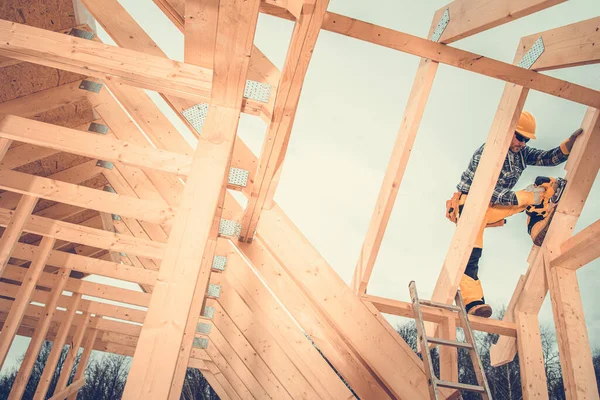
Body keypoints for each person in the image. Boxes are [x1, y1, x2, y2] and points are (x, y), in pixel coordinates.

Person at [445, 111, 583, 318]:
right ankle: (473, 303)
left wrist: (567, 147)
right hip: (470, 207)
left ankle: (536, 225)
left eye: (527, 139)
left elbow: (546, 158)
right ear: (508, 131)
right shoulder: (487, 153)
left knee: (545, 186)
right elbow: (484, 191)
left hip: (494, 206)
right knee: (470, 256)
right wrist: (525, 198)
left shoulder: (522, 153)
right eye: (520, 137)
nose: (523, 143)